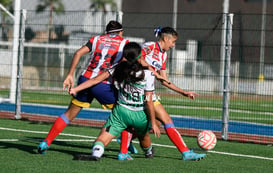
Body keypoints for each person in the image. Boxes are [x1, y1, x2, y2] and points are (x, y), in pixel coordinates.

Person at [38, 20, 129, 154]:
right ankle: (123, 152)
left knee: (68, 115)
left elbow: (77, 53)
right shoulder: (124, 43)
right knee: (124, 114)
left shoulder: (96, 39)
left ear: (106, 32)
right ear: (121, 32)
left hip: (84, 79)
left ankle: (46, 142)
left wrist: (70, 75)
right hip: (102, 84)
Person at [121, 27, 206, 161]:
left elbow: (164, 80)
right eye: (173, 42)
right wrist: (153, 72)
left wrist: (183, 92)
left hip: (149, 92)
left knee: (157, 123)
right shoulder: (149, 46)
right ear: (165, 38)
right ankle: (185, 153)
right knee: (152, 122)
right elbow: (136, 58)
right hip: (137, 91)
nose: (173, 45)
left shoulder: (163, 55)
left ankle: (125, 144)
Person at [69, 42, 160, 160]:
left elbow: (95, 80)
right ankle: (148, 151)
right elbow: (148, 101)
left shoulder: (118, 69)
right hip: (139, 114)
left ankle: (96, 154)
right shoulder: (148, 74)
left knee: (103, 136)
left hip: (121, 112)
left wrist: (76, 89)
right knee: (143, 136)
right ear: (140, 56)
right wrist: (153, 122)